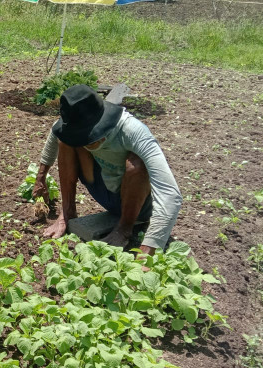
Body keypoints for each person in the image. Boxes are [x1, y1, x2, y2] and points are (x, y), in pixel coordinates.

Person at [32, 84, 181, 255]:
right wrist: (41, 177)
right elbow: (55, 134)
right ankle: (67, 214)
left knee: (137, 164)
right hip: (104, 190)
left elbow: (170, 193)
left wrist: (149, 249)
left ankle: (124, 229)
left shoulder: (132, 130)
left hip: (139, 205)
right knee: (66, 140)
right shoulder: (76, 119)